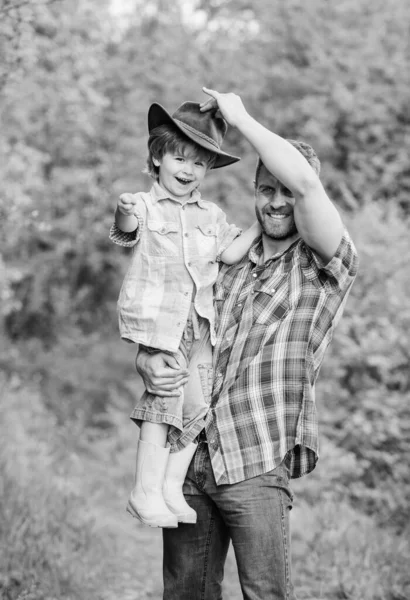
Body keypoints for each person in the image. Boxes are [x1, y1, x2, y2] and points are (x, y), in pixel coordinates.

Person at [135, 88, 359, 599]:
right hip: (188, 459)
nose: (276, 201)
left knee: (264, 595)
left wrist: (240, 117)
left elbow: (303, 183)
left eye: (285, 191)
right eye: (264, 189)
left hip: (256, 460)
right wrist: (146, 358)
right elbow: (173, 319)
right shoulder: (225, 257)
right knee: (186, 595)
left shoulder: (323, 265)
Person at [110, 100, 261, 529]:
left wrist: (258, 226)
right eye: (179, 157)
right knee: (165, 397)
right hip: (162, 323)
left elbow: (231, 253)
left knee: (198, 404)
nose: (188, 169)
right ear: (157, 157)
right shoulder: (145, 204)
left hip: (201, 324)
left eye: (200, 163)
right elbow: (126, 230)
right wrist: (124, 209)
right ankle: (144, 490)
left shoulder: (211, 215)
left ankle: (171, 486)